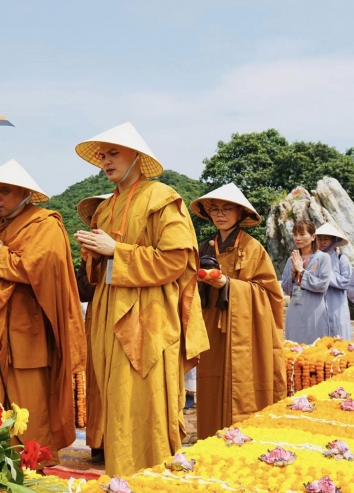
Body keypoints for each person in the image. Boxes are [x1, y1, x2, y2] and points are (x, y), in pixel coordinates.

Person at [73, 122, 209, 476]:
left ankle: (152, 474)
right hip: (106, 311)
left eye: (113, 153)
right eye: (102, 155)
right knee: (116, 395)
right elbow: (98, 270)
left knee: (144, 395)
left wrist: (116, 249)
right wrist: (94, 253)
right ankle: (119, 473)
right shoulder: (105, 208)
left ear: (138, 157)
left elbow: (175, 260)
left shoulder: (162, 197)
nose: (105, 161)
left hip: (147, 316)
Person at [0, 159, 86, 464]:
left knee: (30, 404)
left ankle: (34, 461)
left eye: (4, 191)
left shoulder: (45, 224)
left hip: (26, 333)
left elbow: (42, 269)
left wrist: (1, 252)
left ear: (25, 194)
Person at [190, 183, 286, 439]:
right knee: (211, 380)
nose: (220, 214)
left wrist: (227, 284)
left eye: (226, 209)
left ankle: (246, 438)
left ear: (240, 213)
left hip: (244, 330)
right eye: (215, 209)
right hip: (211, 326)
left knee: (243, 383)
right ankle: (210, 438)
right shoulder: (206, 248)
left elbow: (269, 294)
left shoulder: (254, 248)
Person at [74, 193, 111, 462]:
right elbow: (81, 291)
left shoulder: (132, 247)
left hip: (130, 318)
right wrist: (92, 260)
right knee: (98, 379)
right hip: (98, 318)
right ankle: (100, 442)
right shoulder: (88, 252)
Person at [280, 220, 333, 344]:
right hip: (295, 309)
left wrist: (302, 271)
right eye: (295, 234)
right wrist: (293, 274)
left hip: (314, 310)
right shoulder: (291, 260)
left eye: (302, 234)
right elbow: (286, 289)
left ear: (313, 237)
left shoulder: (323, 258)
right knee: (293, 346)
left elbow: (322, 286)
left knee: (314, 348)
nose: (297, 238)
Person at [315, 223, 352, 340]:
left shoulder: (341, 259)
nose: (322, 242)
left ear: (334, 240)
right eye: (319, 239)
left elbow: (347, 282)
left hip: (337, 306)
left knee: (340, 343)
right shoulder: (312, 259)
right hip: (317, 307)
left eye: (326, 239)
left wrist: (326, 275)